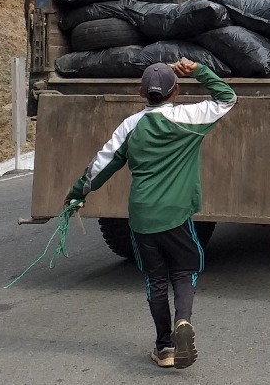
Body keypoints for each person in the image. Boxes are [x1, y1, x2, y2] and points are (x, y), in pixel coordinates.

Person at [65, 59, 236, 369]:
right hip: (176, 214)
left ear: (141, 91)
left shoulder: (131, 125)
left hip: (142, 216)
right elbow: (227, 97)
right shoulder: (190, 117)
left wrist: (77, 194)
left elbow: (101, 165)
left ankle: (165, 347)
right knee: (185, 270)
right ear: (177, 92)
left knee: (155, 280)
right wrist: (198, 70)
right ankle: (182, 322)